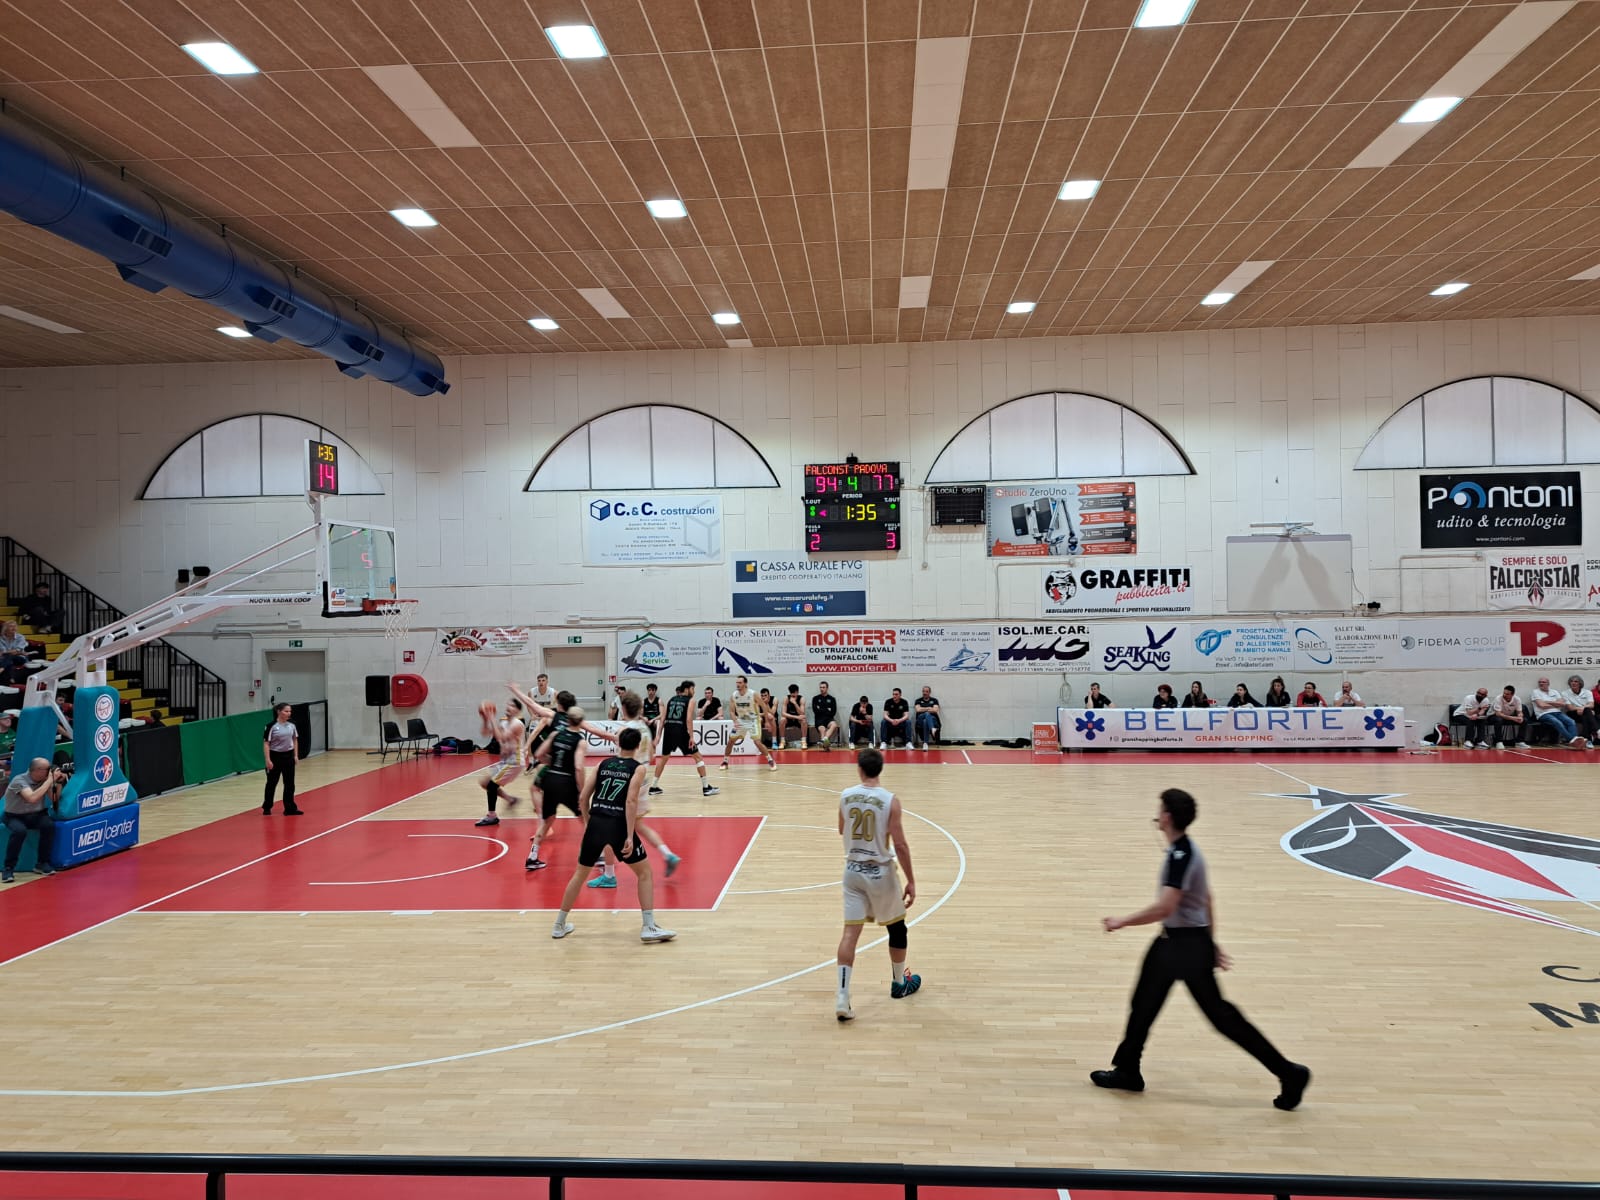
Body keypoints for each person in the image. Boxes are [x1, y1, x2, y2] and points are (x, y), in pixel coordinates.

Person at [1091, 787, 1310, 1111]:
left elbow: (1166, 907)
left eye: (1159, 809)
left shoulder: (1180, 856)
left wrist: (1122, 921)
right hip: (1182, 942)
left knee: (1220, 1016)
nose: (1157, 815)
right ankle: (1127, 1070)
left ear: (1167, 817)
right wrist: (1210, 940)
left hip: (1182, 946)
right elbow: (1206, 899)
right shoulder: (1186, 850)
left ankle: (1289, 1072)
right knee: (1144, 1004)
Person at [550, 727, 676, 944]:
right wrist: (629, 835)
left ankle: (559, 925)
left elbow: (583, 798)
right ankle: (648, 926)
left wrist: (588, 823)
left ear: (618, 744)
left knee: (579, 875)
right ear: (638, 746)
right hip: (618, 825)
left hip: (596, 824)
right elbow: (630, 801)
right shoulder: (637, 769)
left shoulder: (602, 764)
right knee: (644, 873)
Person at [834, 748, 919, 1021]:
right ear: (881, 769)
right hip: (880, 873)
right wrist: (911, 880)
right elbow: (901, 845)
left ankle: (842, 998)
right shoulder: (890, 801)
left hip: (852, 870)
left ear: (859, 769)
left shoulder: (846, 795)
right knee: (897, 928)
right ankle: (899, 983)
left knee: (850, 934)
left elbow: (841, 829)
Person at [526, 704, 587, 870]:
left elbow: (538, 754)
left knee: (548, 821)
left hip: (550, 780)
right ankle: (599, 855)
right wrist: (582, 791)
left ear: (568, 720)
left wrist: (553, 763)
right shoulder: (580, 741)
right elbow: (578, 767)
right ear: (581, 722)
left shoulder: (555, 734)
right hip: (567, 783)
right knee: (585, 818)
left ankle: (532, 856)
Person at [653, 680, 719, 797]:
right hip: (680, 731)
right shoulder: (691, 700)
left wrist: (658, 735)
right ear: (687, 689)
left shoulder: (671, 699)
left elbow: (662, 719)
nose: (694, 692)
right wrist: (692, 737)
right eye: (693, 689)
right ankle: (706, 788)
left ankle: (653, 787)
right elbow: (689, 719)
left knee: (663, 759)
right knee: (698, 757)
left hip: (668, 731)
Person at [2, 758, 61, 883]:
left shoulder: (44, 780)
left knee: (48, 825)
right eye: (47, 769)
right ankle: (8, 868)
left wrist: (57, 783)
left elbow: (54, 799)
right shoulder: (19, 780)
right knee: (19, 831)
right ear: (38, 770)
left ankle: (42, 863)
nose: (49, 771)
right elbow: (32, 798)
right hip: (14, 816)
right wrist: (49, 781)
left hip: (36, 815)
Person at [474, 698, 527, 826]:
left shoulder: (517, 724)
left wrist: (492, 717)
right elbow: (485, 733)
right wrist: (485, 720)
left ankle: (491, 816)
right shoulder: (504, 723)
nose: (508, 707)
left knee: (492, 785)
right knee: (485, 783)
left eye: (512, 706)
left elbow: (501, 738)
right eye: (508, 704)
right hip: (505, 761)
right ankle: (510, 800)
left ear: (518, 711)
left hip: (514, 762)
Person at [720, 675, 778, 772]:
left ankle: (770, 760)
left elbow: (764, 706)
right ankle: (725, 761)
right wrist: (735, 721)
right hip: (741, 721)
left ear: (745, 683)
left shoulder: (753, 694)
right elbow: (731, 711)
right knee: (730, 741)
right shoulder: (734, 695)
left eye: (740, 683)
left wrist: (767, 722)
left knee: (757, 742)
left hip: (753, 720)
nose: (738, 685)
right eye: (737, 683)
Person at [261, 703, 303, 815]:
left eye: (290, 711)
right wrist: (268, 759)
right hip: (275, 757)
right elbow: (266, 743)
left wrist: (295, 755)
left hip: (288, 757)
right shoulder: (271, 726)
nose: (289, 713)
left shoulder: (292, 725)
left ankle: (289, 808)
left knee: (289, 783)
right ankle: (267, 806)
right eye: (286, 711)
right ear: (279, 712)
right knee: (271, 783)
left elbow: (295, 740)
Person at [1531, 676, 1586, 749]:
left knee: (1571, 721)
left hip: (1557, 712)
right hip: (1543, 714)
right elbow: (1542, 705)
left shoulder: (1554, 691)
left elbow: (1562, 704)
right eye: (1540, 682)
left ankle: (1574, 741)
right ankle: (1572, 740)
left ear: (1548, 683)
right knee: (1557, 722)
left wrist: (1548, 702)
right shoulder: (1535, 692)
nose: (1541, 683)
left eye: (1543, 682)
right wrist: (1556, 704)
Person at [1563, 675, 1599, 747]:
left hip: (1586, 712)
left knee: (1586, 716)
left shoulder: (1587, 692)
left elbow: (1592, 705)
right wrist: (1583, 709)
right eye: (1571, 681)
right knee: (1588, 712)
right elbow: (1570, 708)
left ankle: (1587, 738)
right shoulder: (1565, 693)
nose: (1573, 683)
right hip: (1573, 713)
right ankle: (1597, 731)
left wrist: (1583, 709)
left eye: (1576, 681)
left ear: (1580, 684)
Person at [1492, 684, 1529, 749]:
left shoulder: (1517, 699)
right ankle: (1499, 742)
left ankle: (1519, 742)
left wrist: (1520, 716)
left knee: (1524, 720)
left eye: (1507, 694)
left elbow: (1519, 711)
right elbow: (1498, 714)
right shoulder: (1498, 698)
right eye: (1504, 693)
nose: (1504, 695)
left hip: (1508, 716)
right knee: (1498, 720)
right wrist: (1513, 718)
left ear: (1512, 694)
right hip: (1494, 716)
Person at [812, 681, 841, 750]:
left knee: (834, 724)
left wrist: (821, 709)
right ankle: (825, 747)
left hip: (829, 719)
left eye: (823, 687)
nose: (821, 689)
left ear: (827, 688)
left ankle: (823, 740)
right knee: (823, 730)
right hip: (819, 719)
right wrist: (827, 710)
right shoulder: (815, 698)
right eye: (820, 687)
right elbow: (816, 711)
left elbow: (833, 712)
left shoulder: (832, 699)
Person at [782, 684, 807, 748]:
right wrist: (796, 717)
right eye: (791, 693)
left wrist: (795, 703)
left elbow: (802, 713)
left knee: (804, 720)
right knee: (782, 720)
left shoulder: (801, 699)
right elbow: (783, 713)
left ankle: (804, 741)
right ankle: (782, 741)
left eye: (794, 693)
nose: (792, 694)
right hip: (789, 718)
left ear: (797, 692)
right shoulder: (786, 698)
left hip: (798, 720)